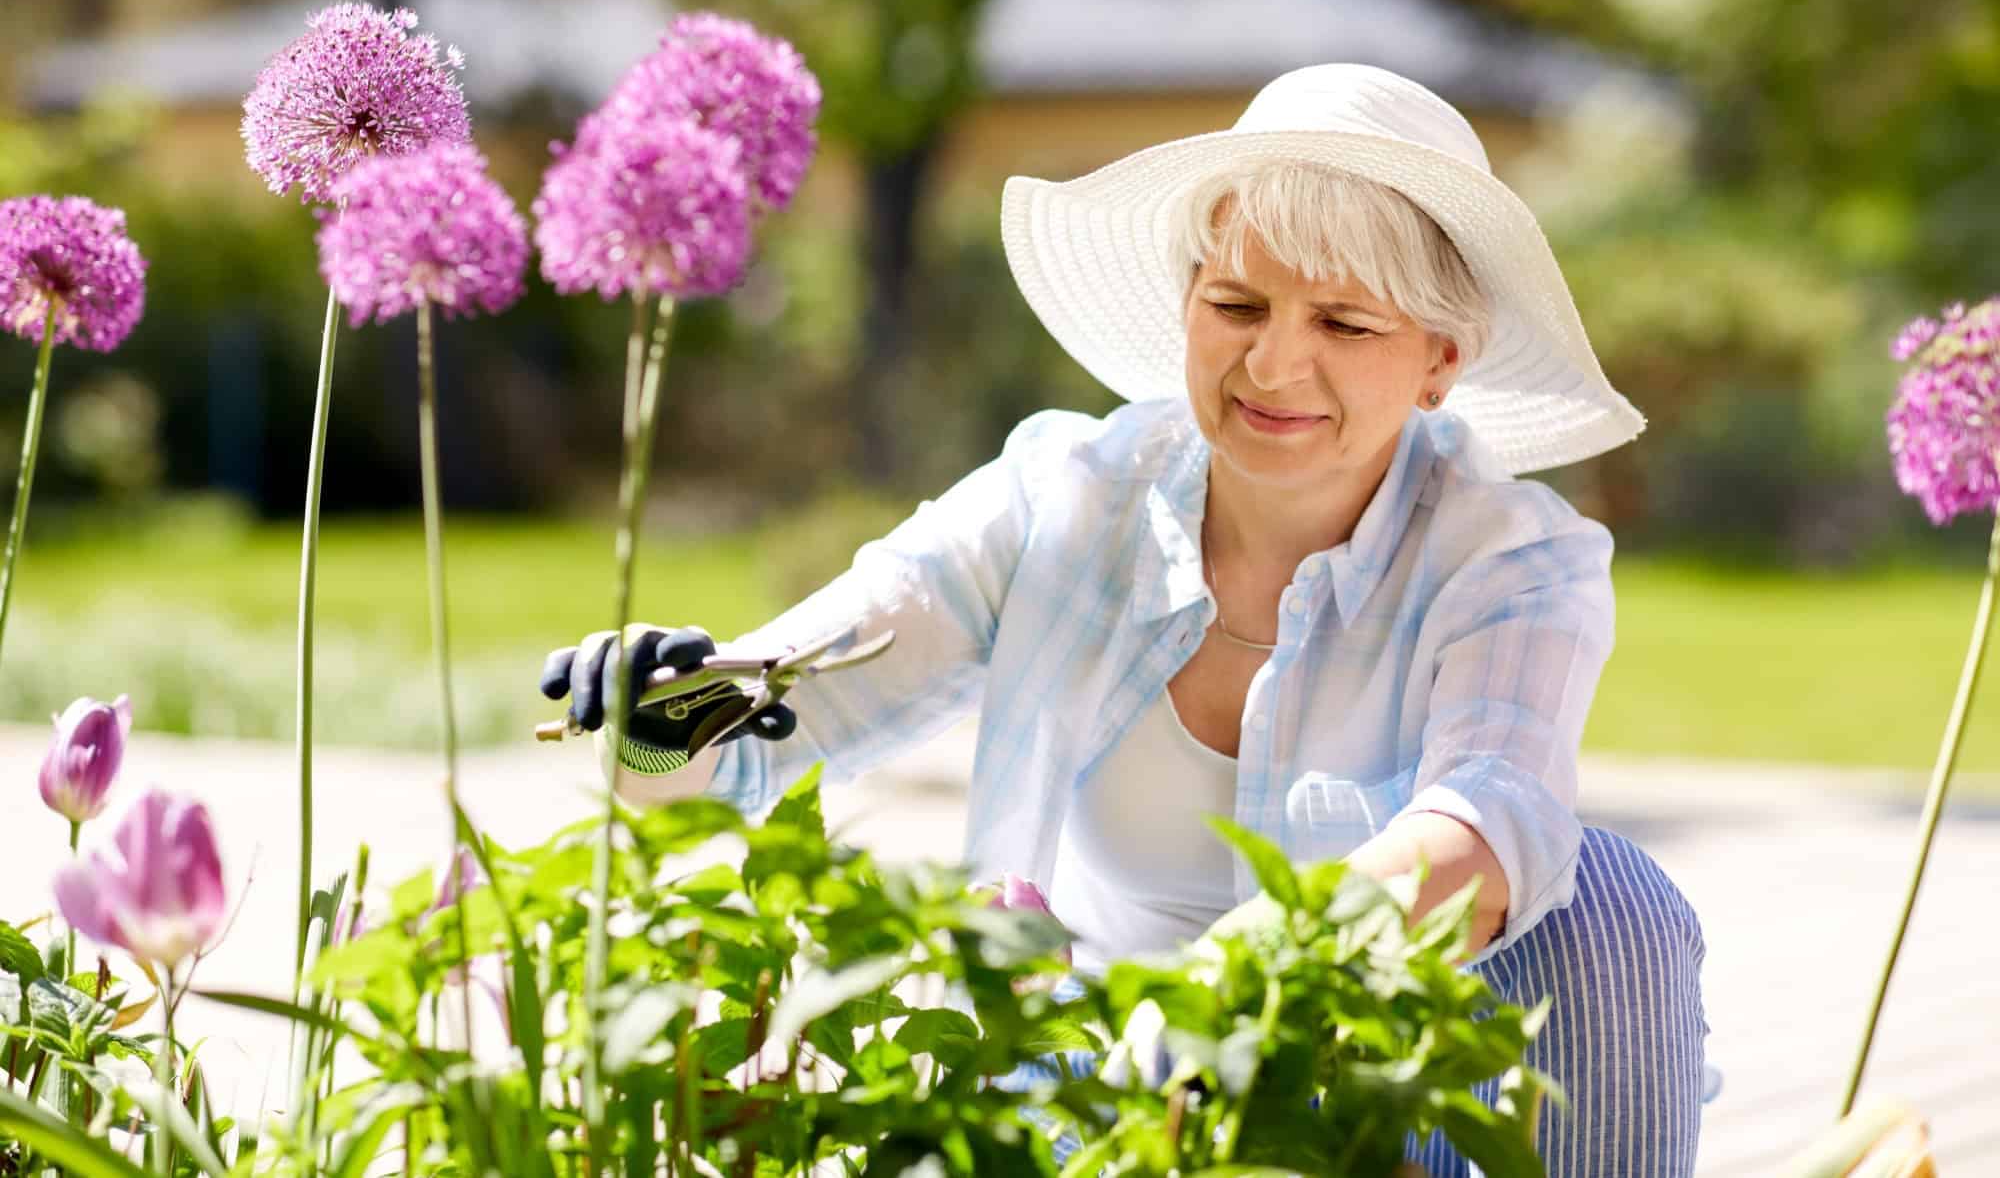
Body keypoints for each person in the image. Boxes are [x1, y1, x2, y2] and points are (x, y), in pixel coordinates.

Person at [539, 63, 1711, 1176]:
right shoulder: (1065, 495)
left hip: (1374, 1106)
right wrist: (665, 710)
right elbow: (804, 695)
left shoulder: (1510, 556)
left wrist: (1238, 983)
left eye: (1344, 325)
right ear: (1187, 306)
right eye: (1236, 302)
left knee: (1609, 903)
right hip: (1089, 1098)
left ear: (1439, 361)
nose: (1273, 361)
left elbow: (1490, 820)